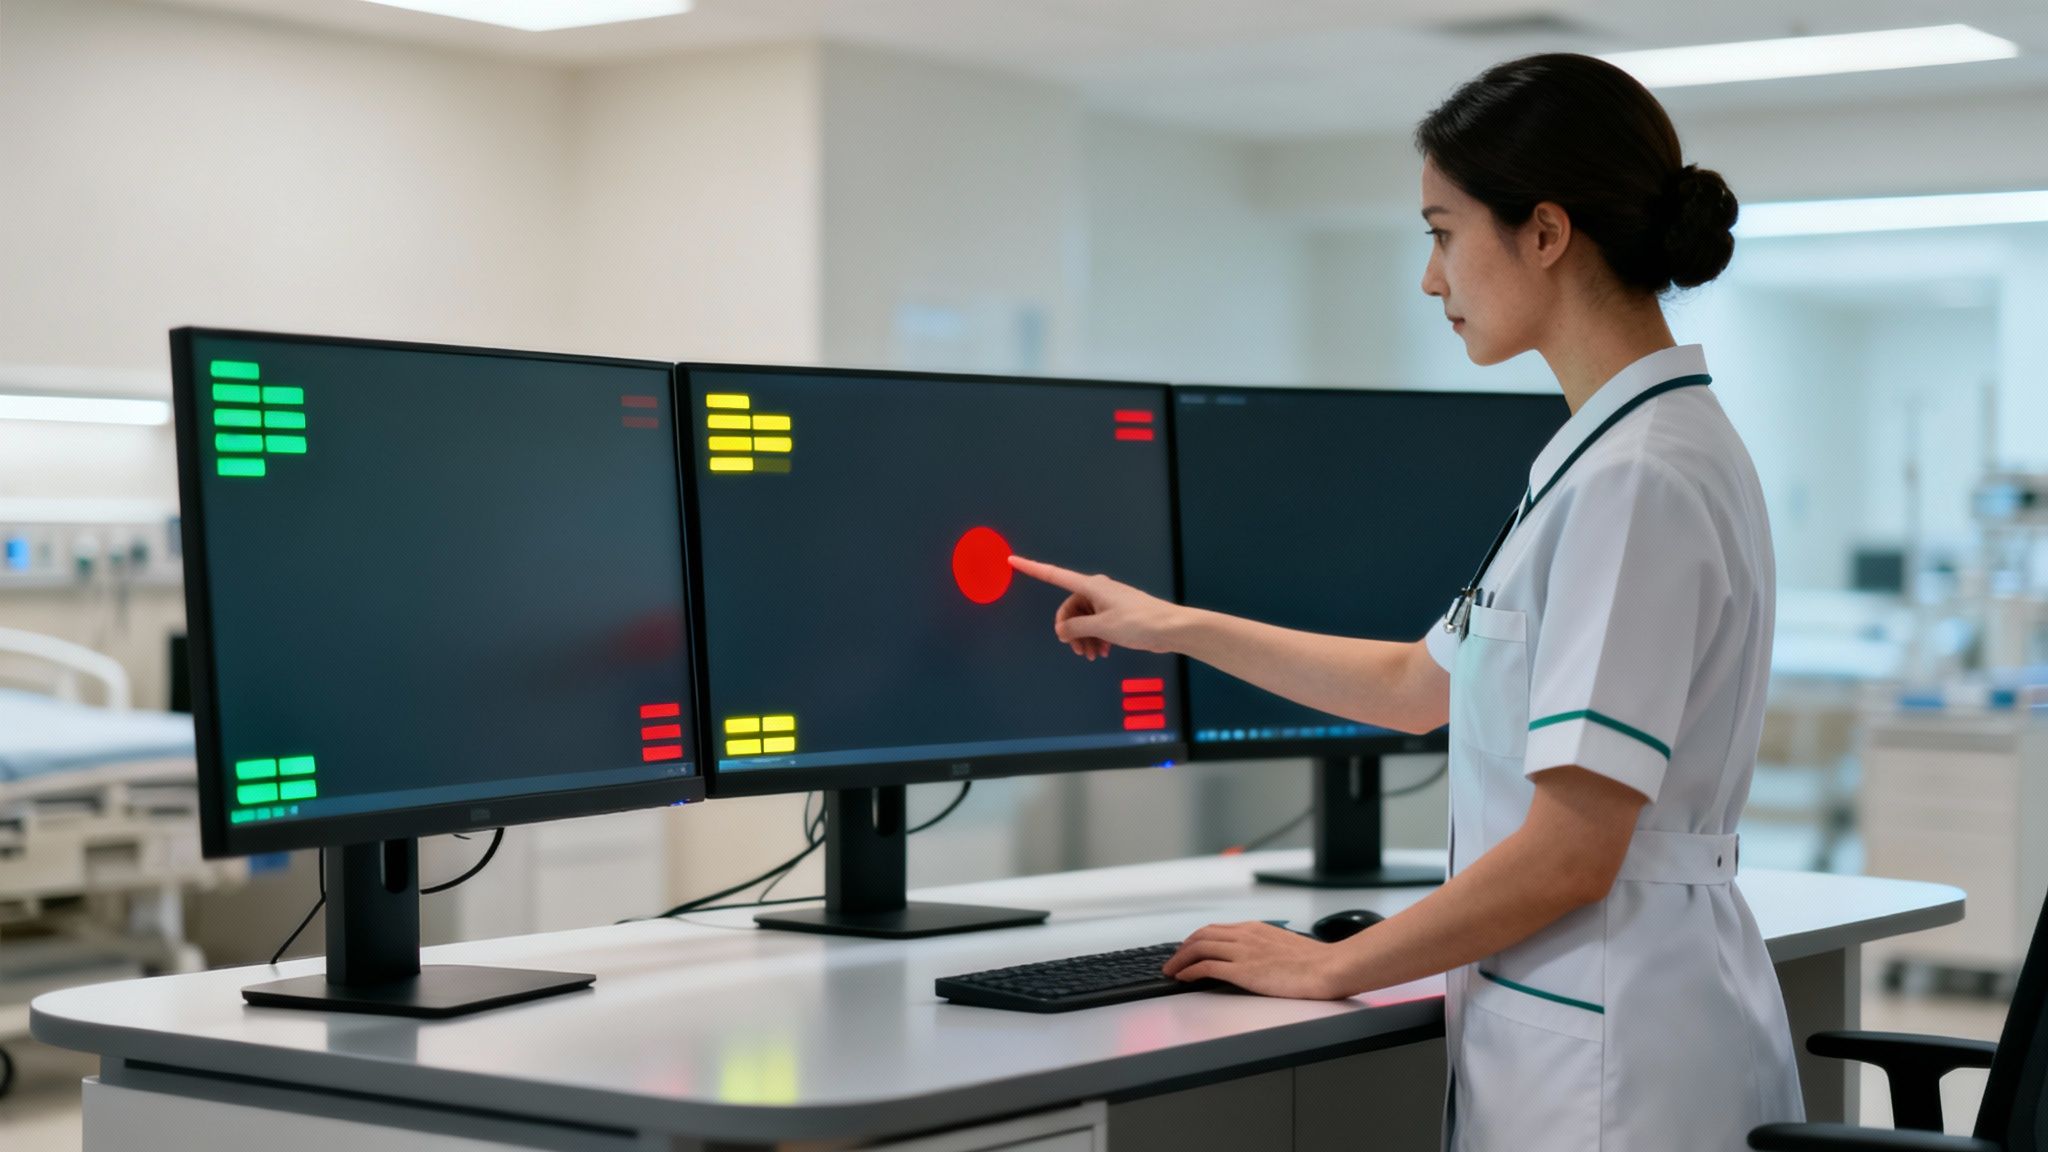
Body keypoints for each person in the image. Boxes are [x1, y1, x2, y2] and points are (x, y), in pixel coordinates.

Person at [1010, 52, 1803, 1150]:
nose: (1430, 279)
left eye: (1440, 232)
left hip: (1616, 1060)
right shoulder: (1616, 453)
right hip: (1600, 1008)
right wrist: (1168, 625)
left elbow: (1573, 848)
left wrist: (1329, 963)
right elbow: (1417, 686)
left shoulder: (1636, 478)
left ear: (1542, 231)